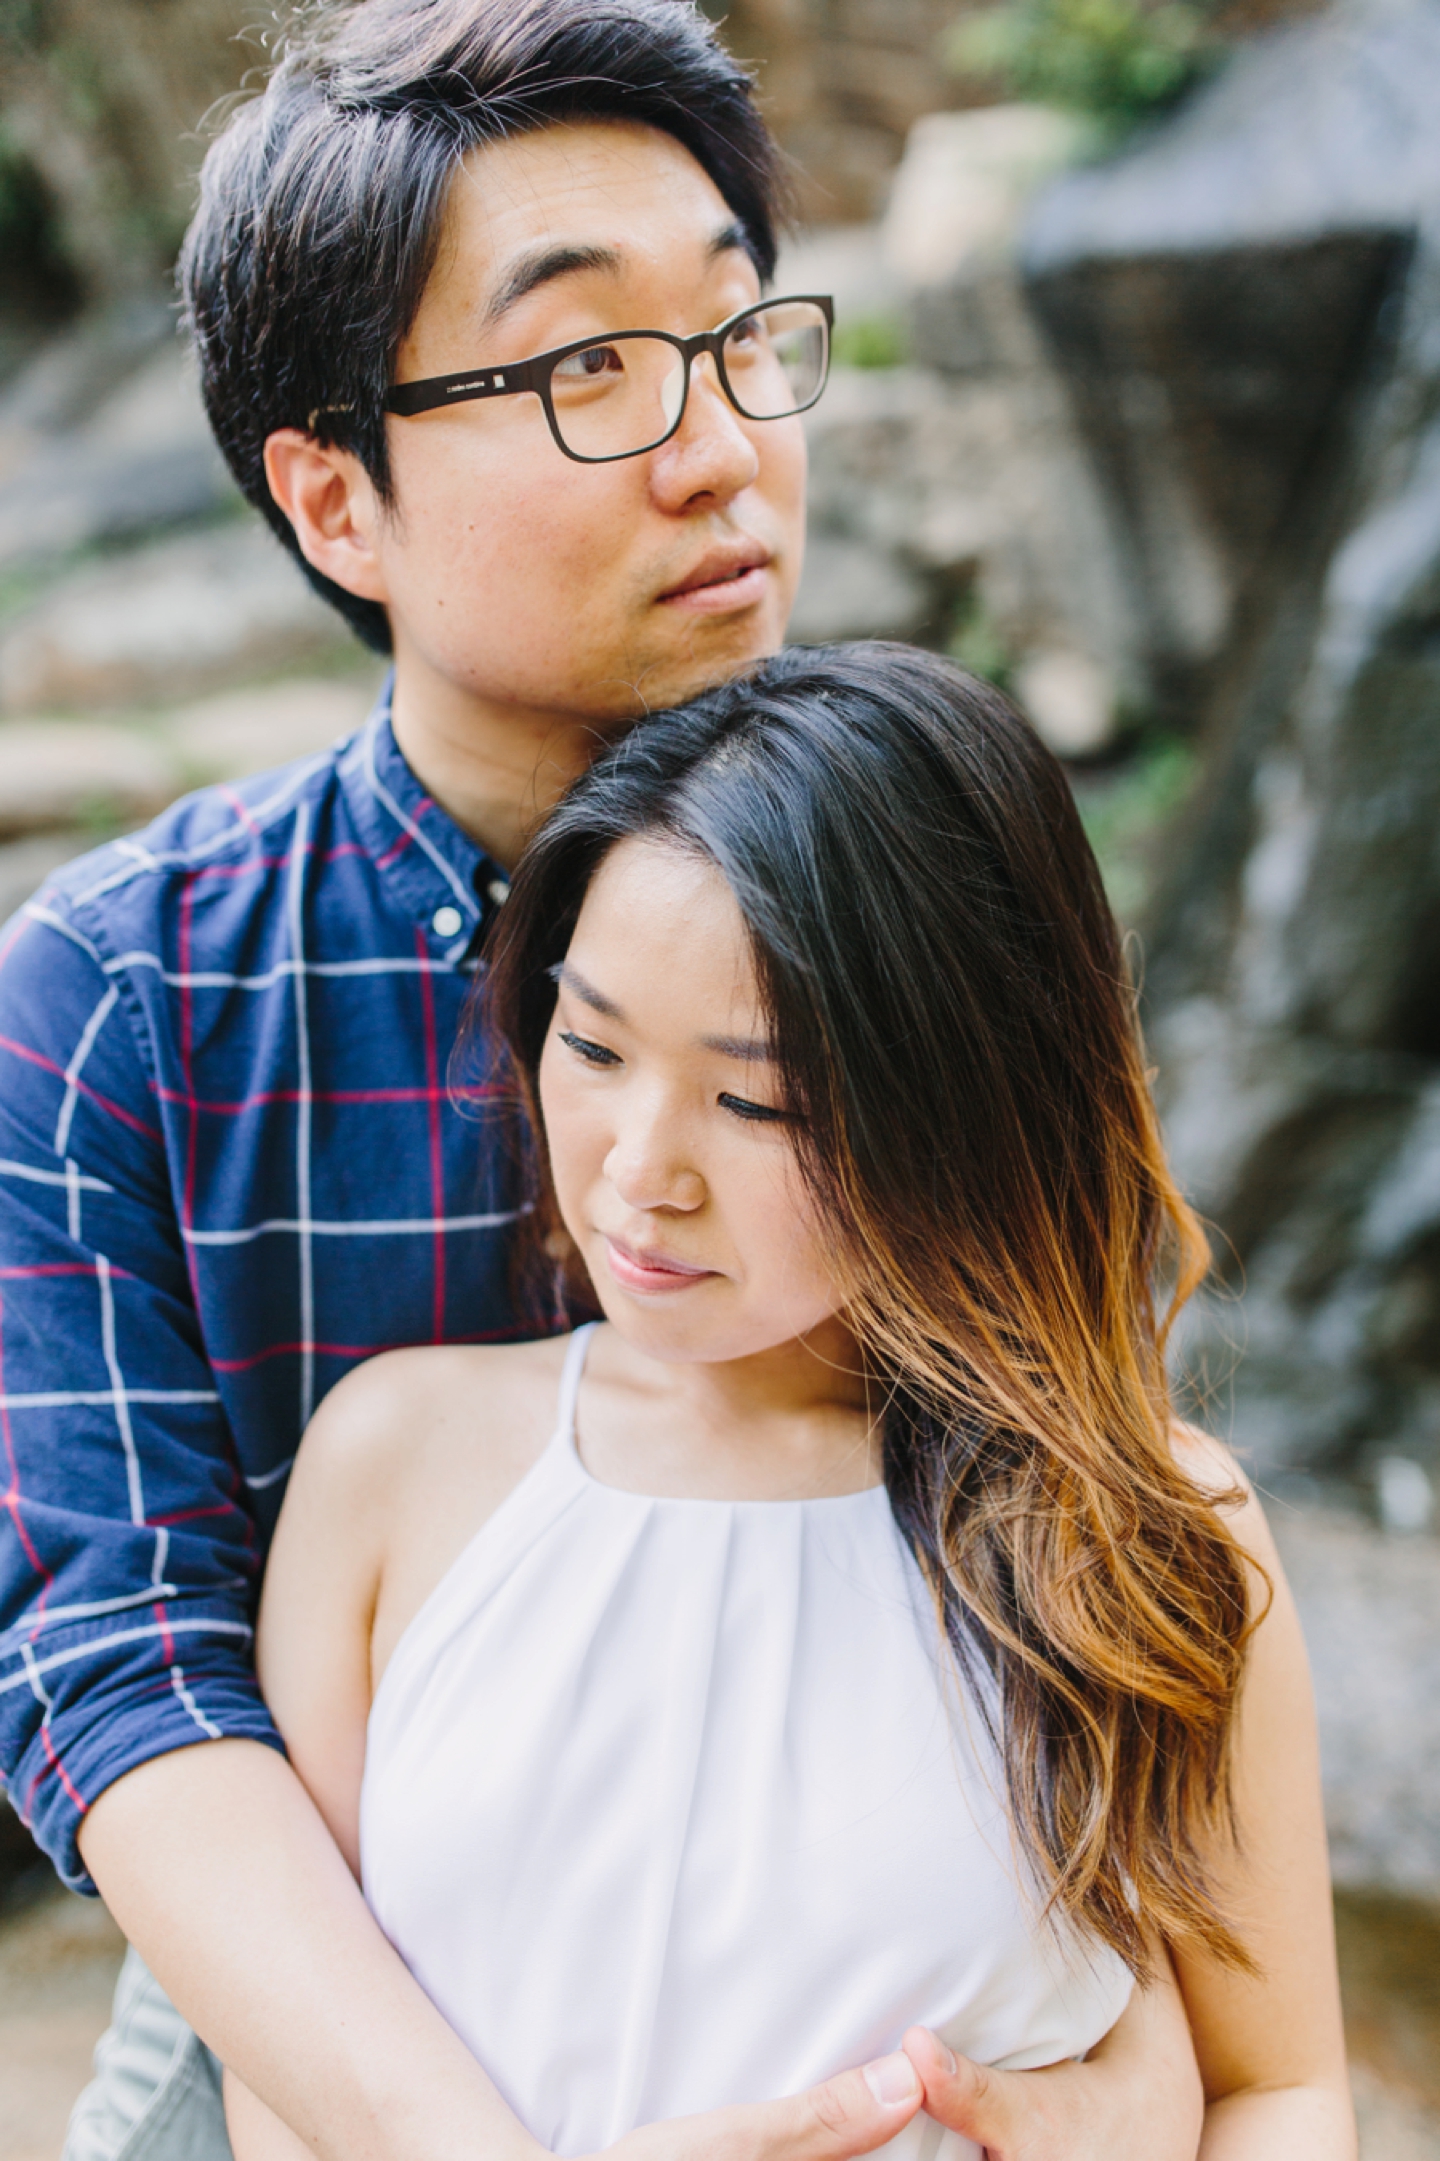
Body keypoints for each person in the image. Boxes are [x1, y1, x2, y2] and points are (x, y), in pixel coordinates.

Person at [0, 4, 1200, 2158]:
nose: (723, 445)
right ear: (332, 495)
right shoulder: (118, 997)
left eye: (743, 339)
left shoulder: (932, 905)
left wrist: (1158, 2054)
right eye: (588, 372)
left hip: (893, 1982)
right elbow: (118, 1662)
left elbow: (1081, 1469)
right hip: (323, 2004)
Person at [226, 642, 1354, 2161]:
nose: (640, 1167)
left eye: (754, 1099)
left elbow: (1276, 2089)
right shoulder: (394, 1463)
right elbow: (291, 2092)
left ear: (957, 1098)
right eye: (593, 1041)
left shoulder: (1151, 1530)